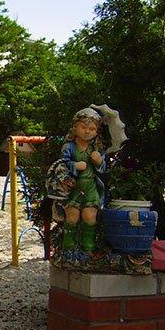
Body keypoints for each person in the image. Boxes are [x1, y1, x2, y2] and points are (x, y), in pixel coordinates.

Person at [61, 107, 106, 252]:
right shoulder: (69, 147)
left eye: (92, 129)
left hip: (91, 186)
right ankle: (68, 248)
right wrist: (74, 166)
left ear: (96, 131)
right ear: (75, 127)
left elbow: (104, 168)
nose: (87, 132)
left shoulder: (96, 148)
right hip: (73, 187)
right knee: (72, 217)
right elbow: (62, 165)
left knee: (89, 216)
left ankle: (88, 248)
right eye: (83, 127)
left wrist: (98, 161)